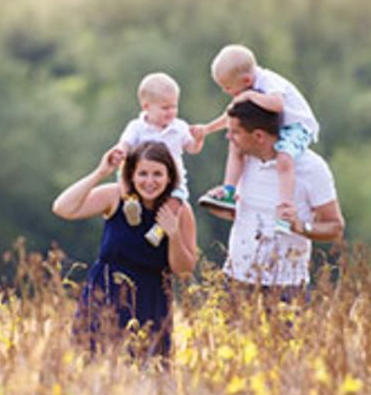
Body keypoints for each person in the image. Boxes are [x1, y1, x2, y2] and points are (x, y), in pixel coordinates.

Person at [52, 141, 198, 357]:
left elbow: (184, 270)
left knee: (148, 374)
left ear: (170, 177)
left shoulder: (179, 210)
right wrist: (101, 172)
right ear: (131, 175)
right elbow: (63, 208)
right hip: (105, 296)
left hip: (151, 303)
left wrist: (174, 234)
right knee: (94, 368)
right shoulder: (116, 196)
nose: (150, 181)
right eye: (143, 174)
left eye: (158, 174)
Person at [200, 100, 343, 293]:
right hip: (236, 281)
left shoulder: (312, 168)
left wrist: (301, 227)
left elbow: (334, 226)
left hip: (288, 286)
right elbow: (245, 216)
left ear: (258, 136)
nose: (228, 137)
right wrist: (218, 202)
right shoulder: (243, 162)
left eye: (235, 132)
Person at [192, 45, 320, 231]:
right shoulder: (247, 88)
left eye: (227, 87)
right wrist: (207, 129)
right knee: (236, 142)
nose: (226, 91)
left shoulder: (268, 82)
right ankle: (229, 189)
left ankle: (285, 207)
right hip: (274, 125)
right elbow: (232, 115)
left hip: (296, 126)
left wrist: (250, 96)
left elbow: (277, 104)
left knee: (284, 157)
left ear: (246, 80)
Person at [113, 72, 205, 203]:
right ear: (146, 107)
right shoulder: (137, 127)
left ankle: (166, 219)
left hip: (172, 180)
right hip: (141, 177)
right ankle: (130, 202)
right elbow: (125, 144)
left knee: (176, 200)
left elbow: (192, 148)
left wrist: (198, 139)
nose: (171, 112)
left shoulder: (179, 127)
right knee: (123, 173)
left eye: (174, 106)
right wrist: (120, 151)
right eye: (165, 108)